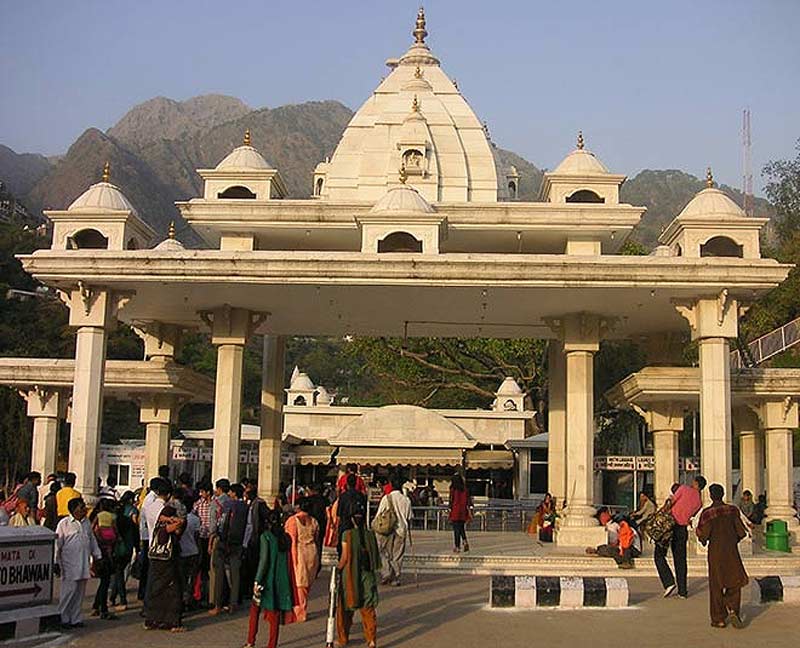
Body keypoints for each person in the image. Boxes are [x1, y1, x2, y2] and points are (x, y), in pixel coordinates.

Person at [696, 483, 749, 628]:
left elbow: (703, 535)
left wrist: (701, 538)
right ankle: (732, 608)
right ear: (723, 494)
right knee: (735, 581)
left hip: (715, 553)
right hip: (731, 551)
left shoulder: (708, 513)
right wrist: (732, 540)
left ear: (711, 496)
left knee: (716, 585)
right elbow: (741, 532)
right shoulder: (732, 510)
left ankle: (718, 619)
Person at [245, 508, 296, 648]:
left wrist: (257, 580)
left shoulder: (266, 537)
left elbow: (264, 560)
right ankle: (272, 644)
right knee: (275, 616)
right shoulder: (286, 538)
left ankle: (251, 641)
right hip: (281, 580)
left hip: (266, 581)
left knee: (255, 610)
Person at [655, 475, 706, 598]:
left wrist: (660, 513)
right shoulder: (699, 502)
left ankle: (668, 582)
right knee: (680, 559)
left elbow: (671, 502)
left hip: (669, 525)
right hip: (682, 529)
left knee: (659, 554)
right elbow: (691, 515)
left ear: (695, 483)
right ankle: (683, 591)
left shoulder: (683, 489)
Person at [336, 505, 380, 648]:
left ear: (352, 520)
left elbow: (344, 557)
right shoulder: (370, 535)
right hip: (367, 575)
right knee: (368, 608)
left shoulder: (347, 535)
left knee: (345, 609)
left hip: (350, 575)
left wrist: (336, 569)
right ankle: (371, 639)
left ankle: (343, 638)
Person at [55, 498, 102, 629]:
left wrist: (97, 555)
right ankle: (63, 617)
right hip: (69, 563)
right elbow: (57, 544)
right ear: (74, 509)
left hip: (83, 562)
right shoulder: (64, 524)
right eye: (81, 507)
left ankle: (76, 618)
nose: (84, 510)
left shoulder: (86, 523)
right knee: (69, 591)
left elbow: (91, 539)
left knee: (80, 592)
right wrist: (55, 562)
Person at [144, 502, 186, 632]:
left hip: (158, 562)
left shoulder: (158, 526)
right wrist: (171, 519)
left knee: (157, 591)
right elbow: (180, 523)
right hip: (166, 563)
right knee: (172, 592)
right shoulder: (165, 527)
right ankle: (171, 621)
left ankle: (154, 619)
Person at [211, 482, 247, 614]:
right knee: (235, 575)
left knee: (219, 573)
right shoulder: (245, 507)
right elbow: (248, 526)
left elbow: (221, 523)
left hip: (224, 542)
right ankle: (233, 604)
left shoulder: (227, 505)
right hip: (238, 543)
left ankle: (218, 605)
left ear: (233, 493)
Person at [285, 497, 319, 622]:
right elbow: (316, 537)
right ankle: (301, 608)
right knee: (307, 583)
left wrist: (293, 560)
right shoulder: (314, 521)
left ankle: (300, 611)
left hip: (300, 551)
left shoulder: (293, 521)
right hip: (312, 551)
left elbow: (292, 541)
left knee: (299, 584)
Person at [375, 475, 412, 586]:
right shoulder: (406, 500)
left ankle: (386, 572)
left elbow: (379, 514)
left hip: (387, 530)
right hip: (401, 530)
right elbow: (409, 517)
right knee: (397, 554)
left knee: (383, 552)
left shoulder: (386, 498)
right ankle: (396, 576)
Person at [89, 497, 118, 620]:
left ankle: (97, 606)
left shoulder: (98, 516)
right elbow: (115, 531)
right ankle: (102, 608)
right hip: (108, 550)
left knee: (103, 581)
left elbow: (91, 529)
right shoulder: (113, 517)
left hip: (99, 549)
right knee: (105, 581)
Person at [138, 477, 166, 601]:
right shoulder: (151, 500)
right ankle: (145, 594)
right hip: (148, 536)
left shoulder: (149, 499)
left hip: (148, 535)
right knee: (148, 568)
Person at [110, 490, 138, 611]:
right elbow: (135, 532)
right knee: (119, 572)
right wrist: (138, 548)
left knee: (118, 573)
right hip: (128, 548)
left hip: (117, 549)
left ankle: (121, 598)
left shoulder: (114, 521)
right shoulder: (131, 517)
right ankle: (114, 597)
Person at [179, 495, 201, 610]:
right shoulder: (195, 519)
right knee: (191, 579)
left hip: (182, 552)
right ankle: (190, 600)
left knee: (182, 579)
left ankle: (182, 600)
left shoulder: (179, 519)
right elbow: (197, 537)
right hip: (193, 551)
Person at [337, 473, 368, 554]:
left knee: (343, 549)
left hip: (345, 524)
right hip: (358, 525)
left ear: (347, 483)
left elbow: (339, 514)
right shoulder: (361, 496)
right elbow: (364, 511)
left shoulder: (343, 496)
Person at [193, 481, 213, 606]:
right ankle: (200, 593)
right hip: (201, 537)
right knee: (201, 566)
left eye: (202, 491)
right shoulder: (198, 504)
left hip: (210, 537)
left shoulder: (214, 503)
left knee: (209, 567)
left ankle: (208, 594)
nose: (201, 494)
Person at [302, 484, 328, 575]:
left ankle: (311, 565)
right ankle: (317, 566)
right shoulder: (324, 499)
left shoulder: (309, 500)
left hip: (310, 525)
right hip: (321, 525)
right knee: (319, 545)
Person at [449, 474, 472, 552]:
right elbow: (468, 501)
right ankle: (465, 541)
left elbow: (451, 501)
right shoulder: (465, 489)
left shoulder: (453, 489)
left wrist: (450, 509)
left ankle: (457, 546)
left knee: (456, 530)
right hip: (463, 511)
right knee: (461, 528)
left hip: (455, 511)